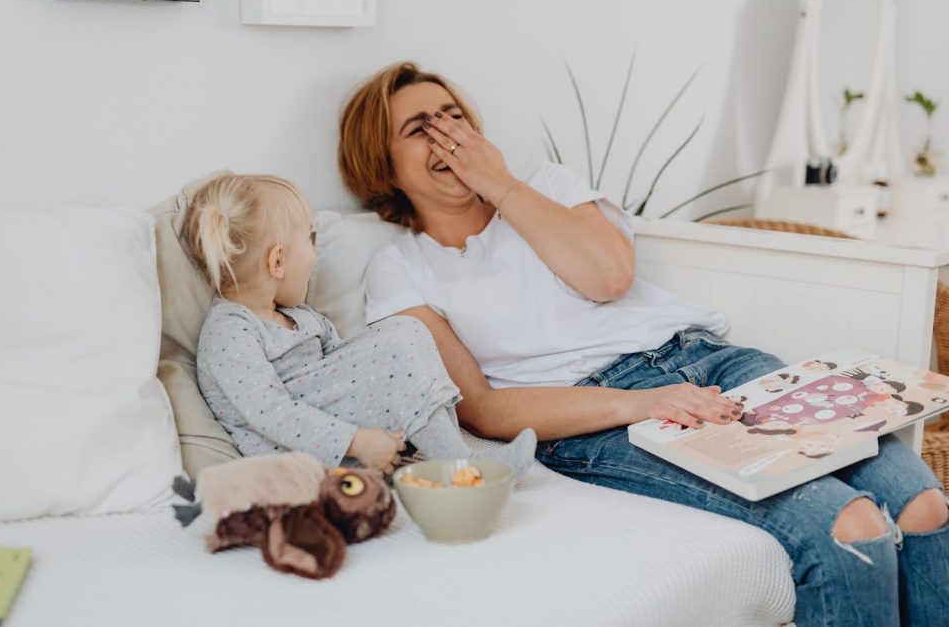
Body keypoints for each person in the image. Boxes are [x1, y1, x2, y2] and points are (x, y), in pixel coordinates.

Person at [337, 61, 949, 625]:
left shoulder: (546, 185)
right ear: (382, 166)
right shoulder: (401, 269)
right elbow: (482, 409)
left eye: (454, 117)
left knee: (922, 504)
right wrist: (646, 404)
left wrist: (502, 187)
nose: (447, 135)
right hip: (598, 414)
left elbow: (608, 277)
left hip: (708, 360)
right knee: (849, 524)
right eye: (420, 127)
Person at [185, 174, 536, 476]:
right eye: (309, 239)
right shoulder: (230, 331)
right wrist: (355, 441)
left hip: (347, 430)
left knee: (407, 330)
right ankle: (461, 465)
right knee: (394, 353)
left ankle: (441, 452)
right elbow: (270, 412)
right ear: (277, 262)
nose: (314, 252)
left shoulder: (299, 316)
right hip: (296, 454)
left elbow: (344, 363)